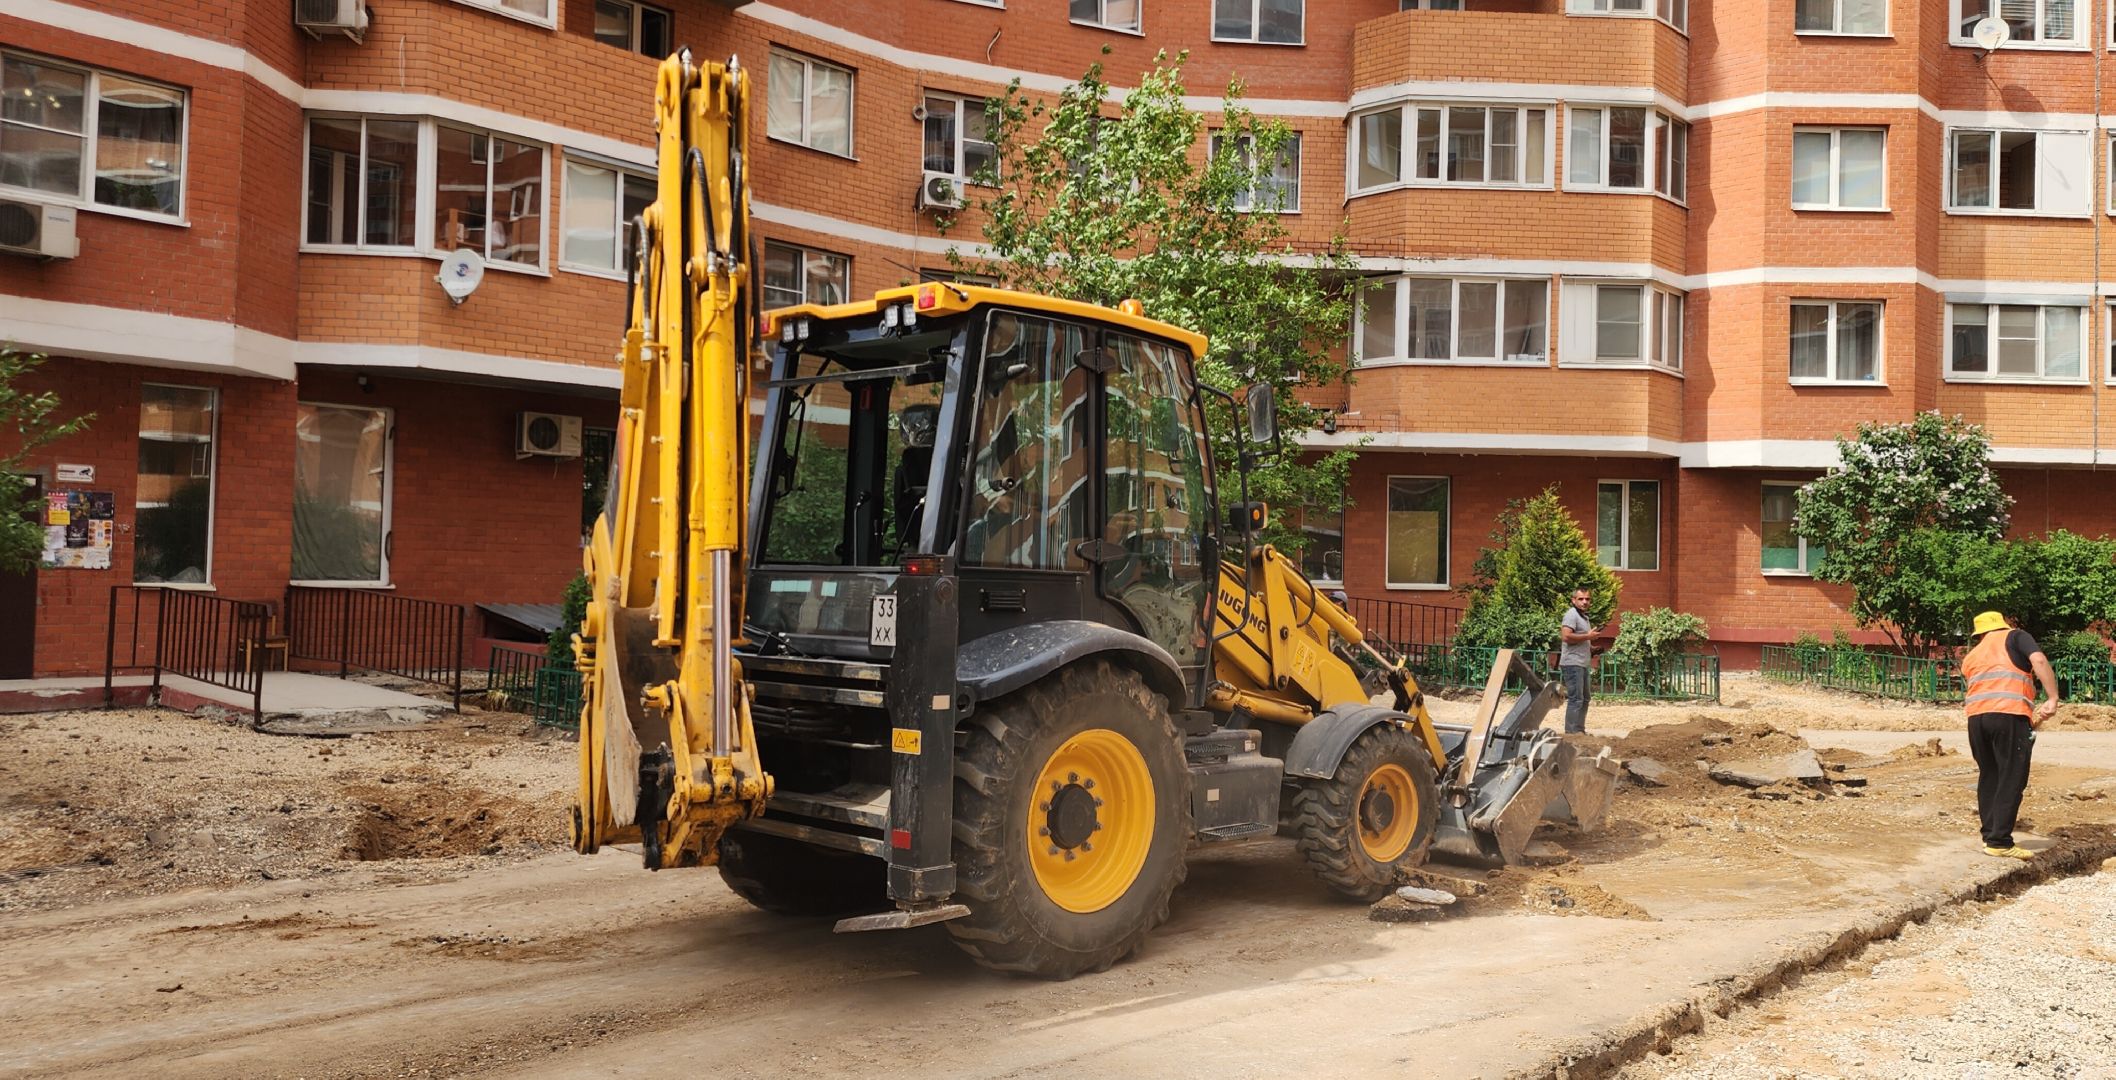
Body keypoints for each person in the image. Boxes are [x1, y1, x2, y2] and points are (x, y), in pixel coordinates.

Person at [1962, 610, 2061, 860]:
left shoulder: (1972, 655)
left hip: (1976, 719)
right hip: (2009, 715)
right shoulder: (2016, 637)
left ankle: (1990, 836)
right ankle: (2000, 842)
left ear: (1980, 633)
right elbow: (2038, 661)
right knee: (2011, 777)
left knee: (1990, 775)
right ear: (2002, 624)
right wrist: (2052, 697)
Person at [1556, 587, 1601, 735]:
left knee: (1585, 698)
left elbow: (1580, 639)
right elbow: (1566, 636)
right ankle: (1571, 732)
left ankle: (1579, 731)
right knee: (1576, 699)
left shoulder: (1584, 617)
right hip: (1572, 663)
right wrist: (1588, 637)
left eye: (1587, 599)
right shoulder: (1571, 615)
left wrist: (1591, 648)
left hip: (1582, 663)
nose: (1585, 602)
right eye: (1581, 599)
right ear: (1573, 600)